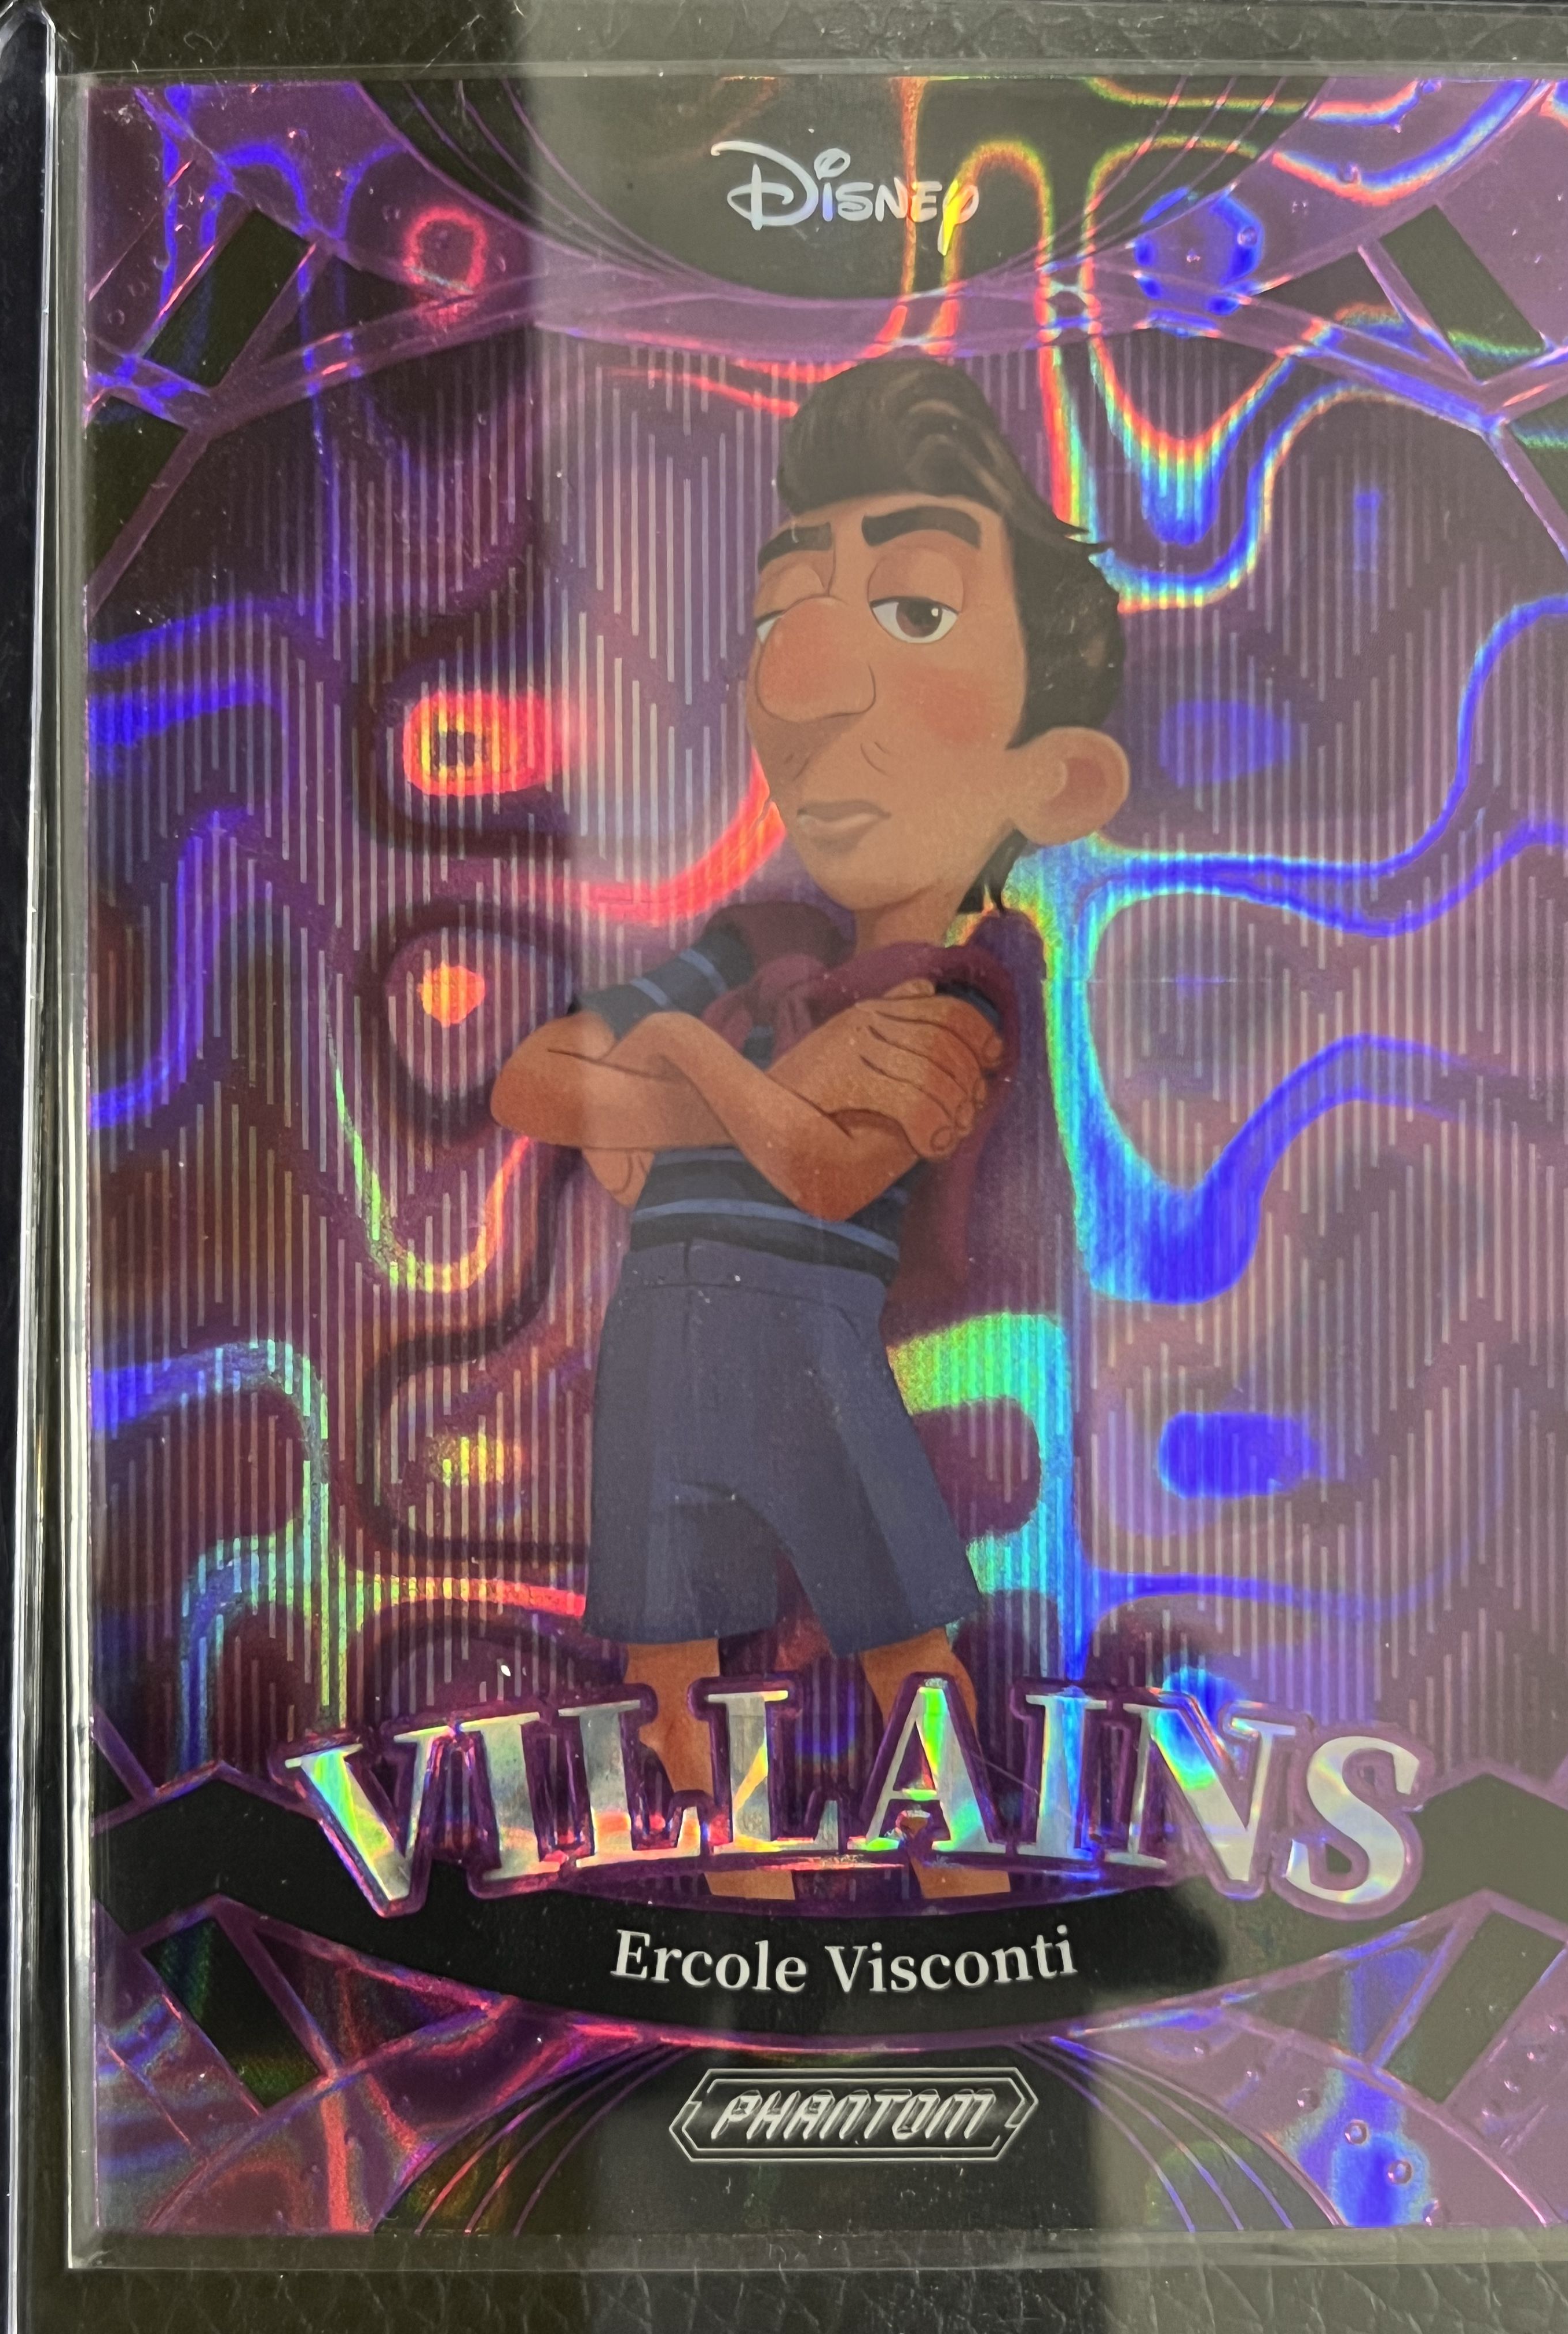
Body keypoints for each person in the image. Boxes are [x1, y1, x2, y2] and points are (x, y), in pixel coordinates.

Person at [491, 355, 1128, 1896]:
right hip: (658, 1340)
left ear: (1056, 779)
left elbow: (828, 1172)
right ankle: (735, 1925)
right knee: (670, 1669)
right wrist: (760, 1067)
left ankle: (969, 1904)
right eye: (786, 612)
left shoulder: (967, 986)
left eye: (914, 612)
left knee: (907, 1649)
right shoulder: (758, 932)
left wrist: (687, 1074)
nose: (806, 679)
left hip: (809, 1338)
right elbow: (534, 1083)